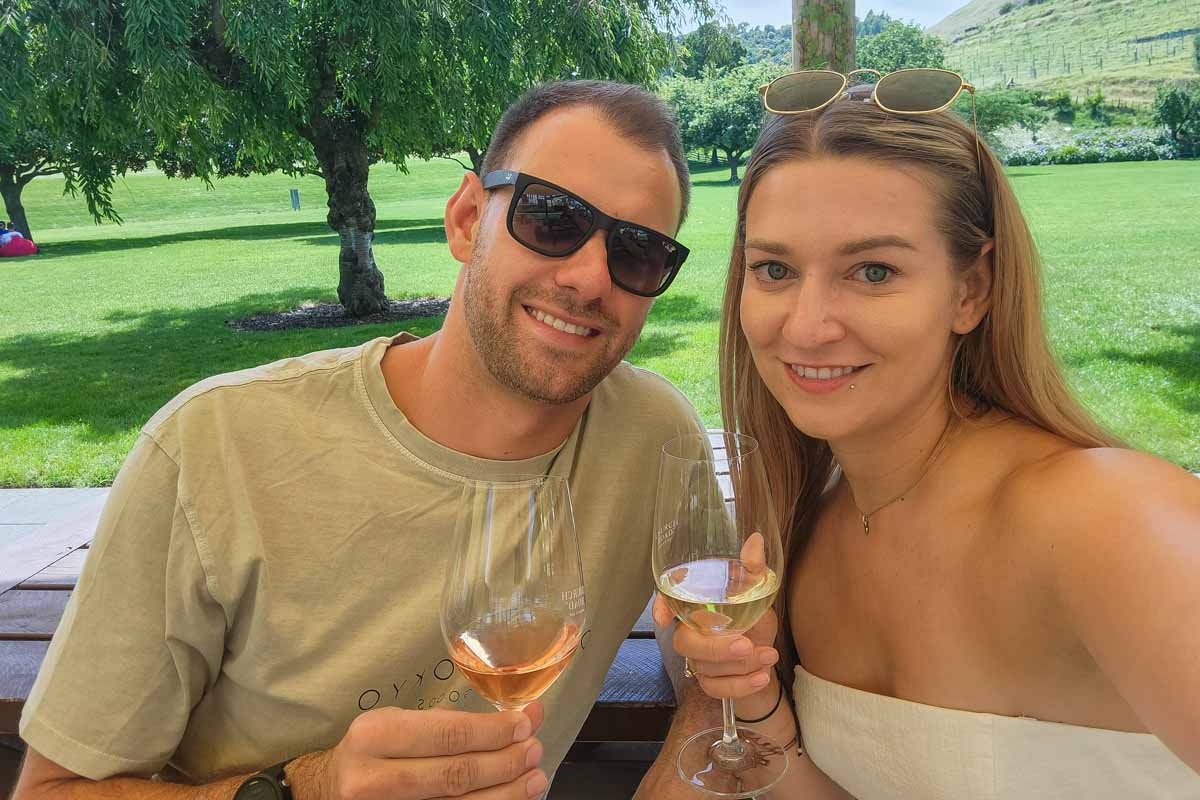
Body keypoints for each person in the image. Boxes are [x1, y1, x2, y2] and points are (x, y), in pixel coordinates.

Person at [14, 80, 704, 800]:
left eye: (638, 252)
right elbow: (50, 791)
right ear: (468, 218)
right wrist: (304, 790)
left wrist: (696, 719)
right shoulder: (212, 449)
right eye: (553, 217)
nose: (592, 277)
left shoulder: (653, 440)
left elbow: (697, 636)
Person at [640, 71, 1200, 798]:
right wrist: (759, 710)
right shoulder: (805, 526)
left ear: (972, 290)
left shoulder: (1103, 518)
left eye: (873, 271)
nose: (806, 326)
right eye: (774, 268)